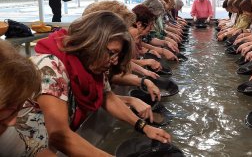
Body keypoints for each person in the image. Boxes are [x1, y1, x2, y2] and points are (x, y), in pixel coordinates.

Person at [15, 11, 170, 156]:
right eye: (111, 53)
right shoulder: (50, 66)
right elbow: (59, 135)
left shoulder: (92, 64)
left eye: (118, 54)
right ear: (91, 42)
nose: (114, 61)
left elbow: (107, 97)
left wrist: (143, 127)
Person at [0, 40, 55, 156]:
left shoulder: (8, 137)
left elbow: (34, 150)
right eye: (8, 109)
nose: (13, 122)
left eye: (16, 110)